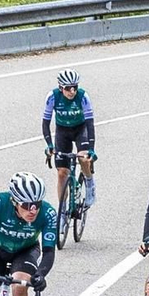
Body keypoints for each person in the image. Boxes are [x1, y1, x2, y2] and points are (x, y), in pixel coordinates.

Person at [41, 70, 97, 225]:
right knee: (61, 173)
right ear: (60, 88)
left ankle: (90, 183)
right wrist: (49, 146)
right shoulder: (52, 97)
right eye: (68, 88)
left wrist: (91, 148)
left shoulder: (83, 96)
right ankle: (63, 210)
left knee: (84, 158)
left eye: (74, 87)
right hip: (62, 131)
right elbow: (45, 123)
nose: (72, 91)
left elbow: (90, 124)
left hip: (81, 129)